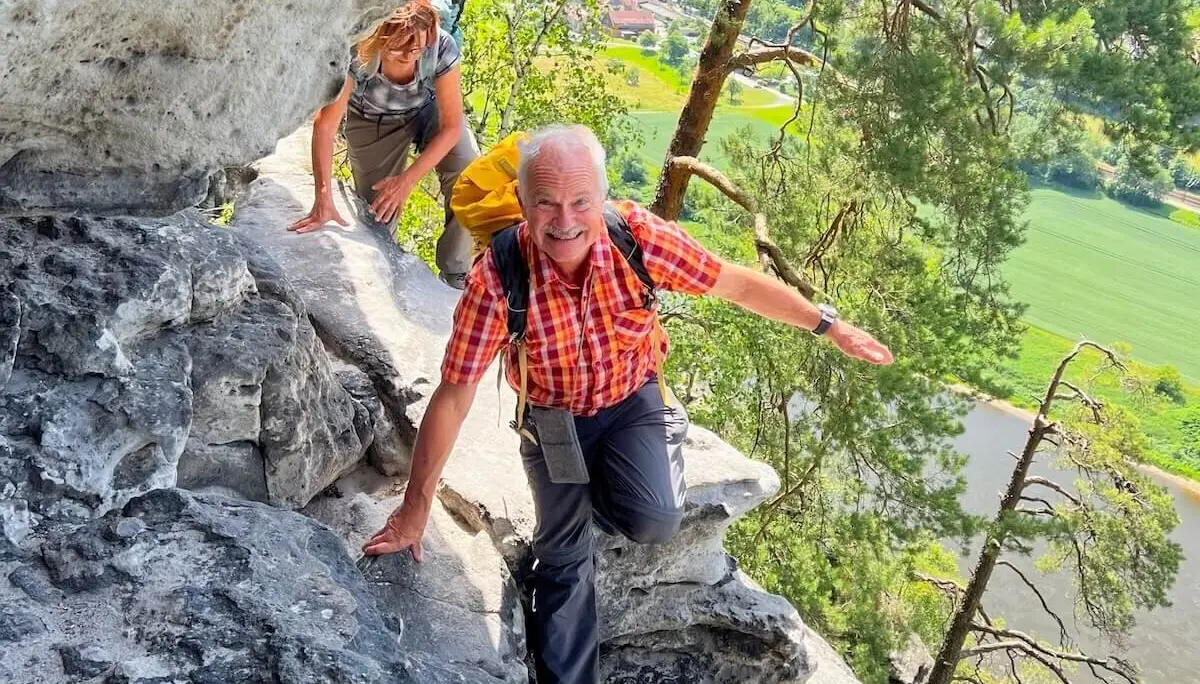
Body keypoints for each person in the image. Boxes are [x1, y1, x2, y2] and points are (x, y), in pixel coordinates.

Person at [361, 125, 894, 683]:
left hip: (633, 398)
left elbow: (732, 284)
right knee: (563, 561)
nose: (564, 220)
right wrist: (415, 509)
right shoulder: (499, 276)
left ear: (602, 197)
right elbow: (455, 392)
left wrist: (827, 324)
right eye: (545, 203)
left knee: (654, 519)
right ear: (522, 203)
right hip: (554, 419)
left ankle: (659, 436)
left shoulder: (635, 239)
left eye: (580, 202)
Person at [288, 0, 478, 289]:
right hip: (373, 118)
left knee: (469, 175)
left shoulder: (439, 45)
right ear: (381, 39)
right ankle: (385, 269)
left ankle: (456, 274)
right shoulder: (359, 51)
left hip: (430, 110)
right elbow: (326, 125)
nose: (411, 55)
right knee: (378, 212)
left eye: (417, 48)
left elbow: (452, 127)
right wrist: (322, 197)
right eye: (400, 49)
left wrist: (408, 180)